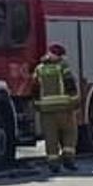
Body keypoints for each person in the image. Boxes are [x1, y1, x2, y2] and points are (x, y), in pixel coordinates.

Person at [34, 43, 82, 173]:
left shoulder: (39, 69)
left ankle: (53, 163)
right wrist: (75, 102)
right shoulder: (63, 67)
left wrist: (37, 105)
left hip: (47, 111)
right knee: (69, 134)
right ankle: (68, 160)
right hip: (64, 108)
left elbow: (35, 89)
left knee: (51, 137)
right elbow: (70, 85)